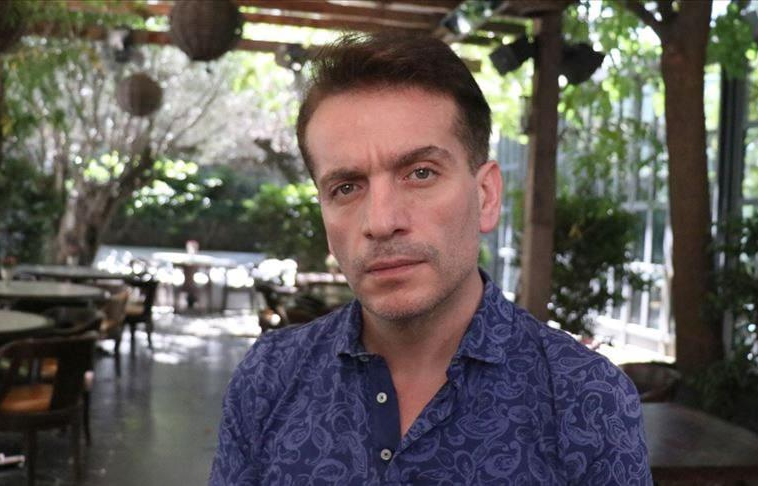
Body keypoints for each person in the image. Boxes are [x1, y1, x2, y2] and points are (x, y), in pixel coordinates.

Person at [211, 32, 652, 485]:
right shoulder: (269, 379)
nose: (381, 221)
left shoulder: (584, 397)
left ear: (485, 196)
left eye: (421, 173)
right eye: (346, 187)